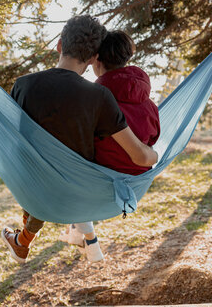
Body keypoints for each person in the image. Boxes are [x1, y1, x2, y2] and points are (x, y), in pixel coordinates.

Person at [1, 16, 158, 264]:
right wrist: (155, 155)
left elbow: (14, 144)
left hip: (34, 189)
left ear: (60, 45)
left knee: (34, 164)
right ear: (95, 57)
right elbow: (138, 155)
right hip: (77, 192)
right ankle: (78, 241)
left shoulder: (23, 86)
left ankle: (24, 237)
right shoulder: (100, 96)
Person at [59, 30, 160, 261]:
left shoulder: (92, 99)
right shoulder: (148, 102)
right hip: (137, 179)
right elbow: (152, 139)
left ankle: (85, 236)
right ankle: (78, 234)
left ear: (96, 59)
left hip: (101, 178)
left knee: (72, 165)